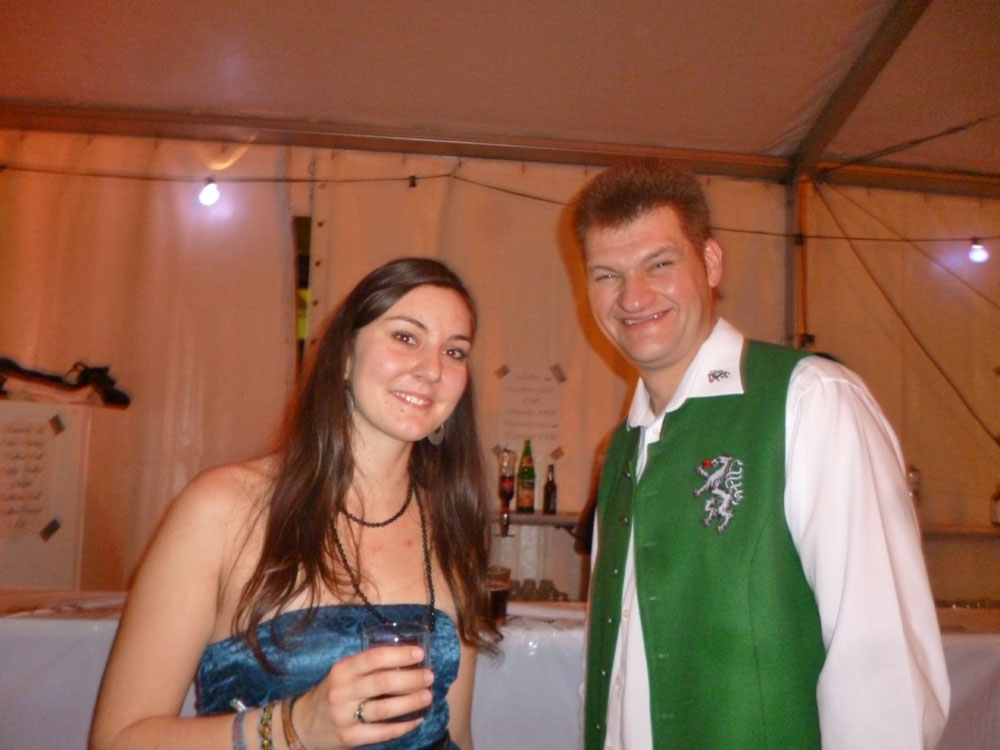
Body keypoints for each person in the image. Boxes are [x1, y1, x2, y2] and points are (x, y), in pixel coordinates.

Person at [570, 161, 949, 749]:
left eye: (660, 264)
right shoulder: (623, 443)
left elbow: (881, 665)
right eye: (607, 274)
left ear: (711, 263)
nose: (633, 296)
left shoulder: (810, 400)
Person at [90, 257, 495, 750]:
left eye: (454, 351)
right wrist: (292, 728)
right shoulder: (222, 509)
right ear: (345, 357)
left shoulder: (452, 525)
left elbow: (459, 734)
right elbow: (118, 739)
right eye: (406, 337)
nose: (432, 369)